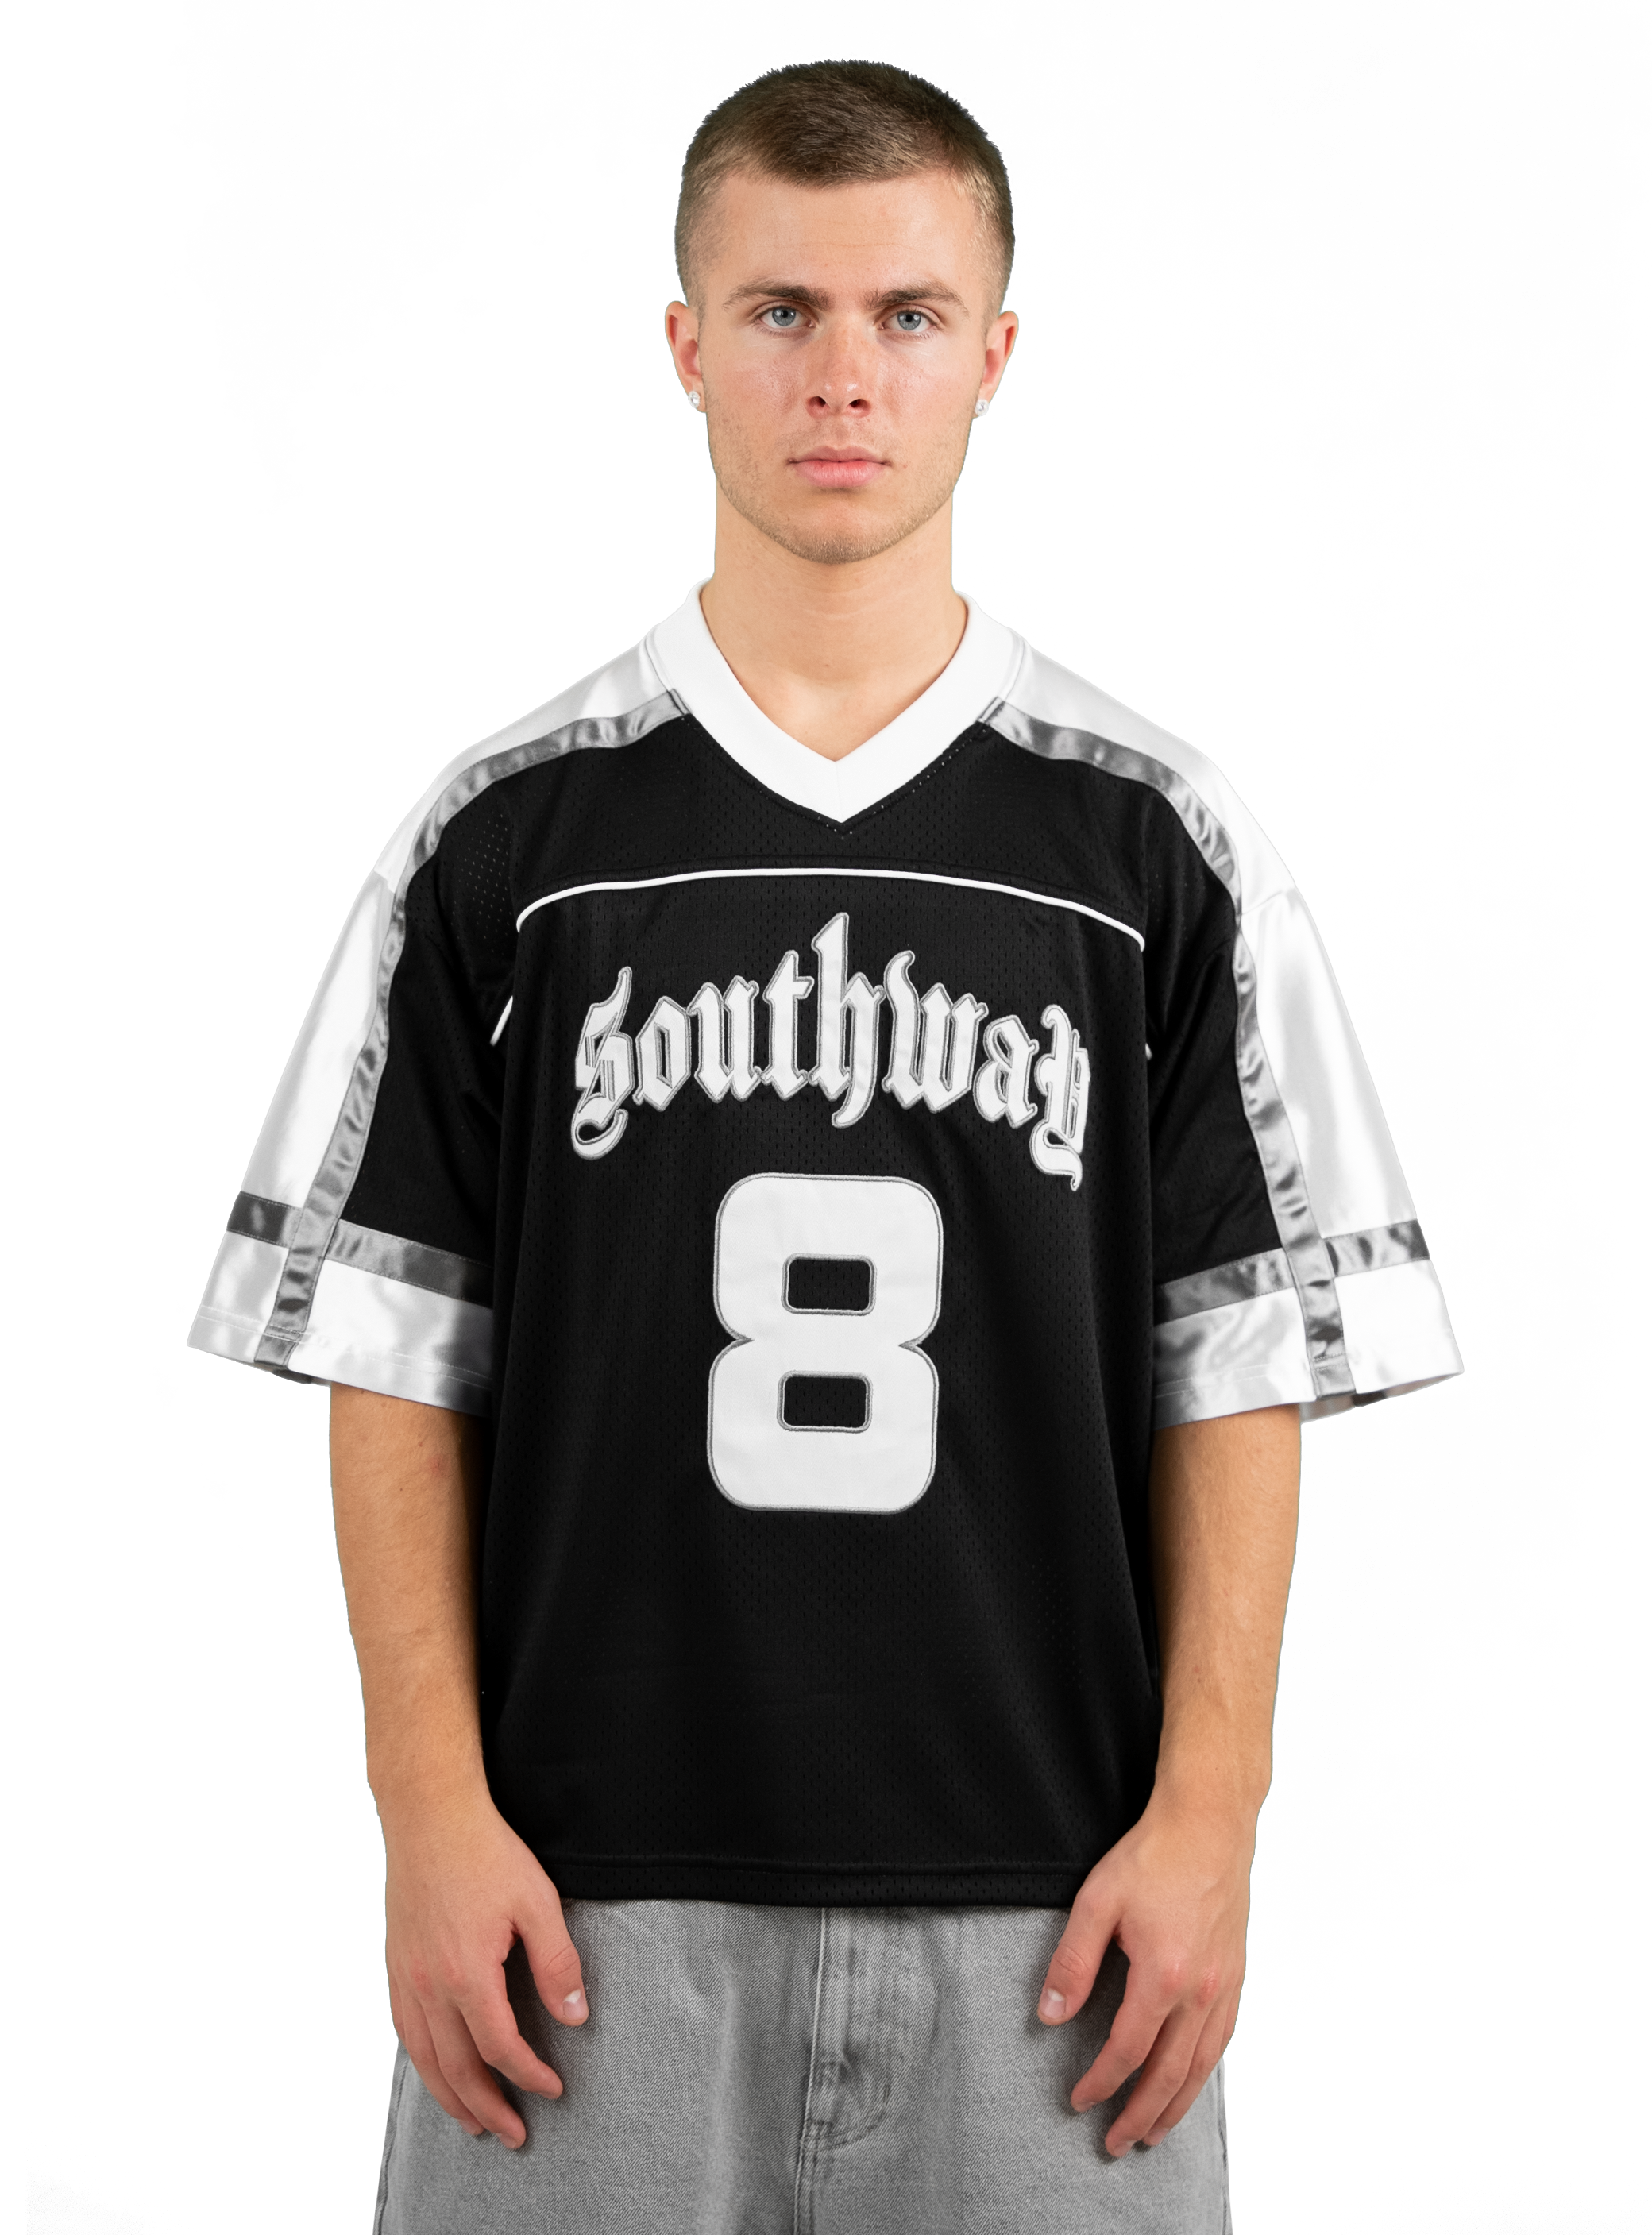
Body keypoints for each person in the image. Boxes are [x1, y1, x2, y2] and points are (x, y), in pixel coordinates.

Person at [189, 56, 1461, 2233]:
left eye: (907, 313)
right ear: (687, 345)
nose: (845, 375)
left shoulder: (1151, 851)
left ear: (996, 350)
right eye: (782, 310)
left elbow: (1236, 1361)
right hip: (585, 1905)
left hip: (1050, 1901)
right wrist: (427, 1811)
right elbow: (393, 1350)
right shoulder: (514, 840)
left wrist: (1211, 1817)